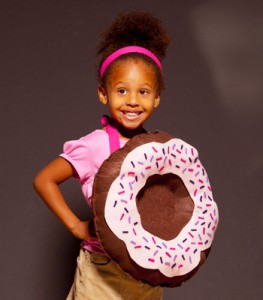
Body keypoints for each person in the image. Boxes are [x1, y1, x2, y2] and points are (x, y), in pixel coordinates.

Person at [33, 11, 169, 300]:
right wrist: (75, 225)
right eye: (122, 90)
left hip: (146, 273)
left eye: (143, 91)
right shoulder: (93, 146)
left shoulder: (159, 149)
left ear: (157, 97)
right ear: (103, 94)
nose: (132, 100)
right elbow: (44, 180)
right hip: (101, 272)